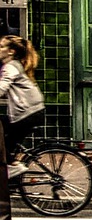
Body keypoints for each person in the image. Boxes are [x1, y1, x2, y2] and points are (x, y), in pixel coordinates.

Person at [0, 35, 45, 177]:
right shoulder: (14, 65)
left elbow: (2, 87)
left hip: (27, 113)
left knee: (3, 144)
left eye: (1, 46)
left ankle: (13, 165)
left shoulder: (10, 67)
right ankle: (11, 171)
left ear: (11, 51)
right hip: (32, 111)